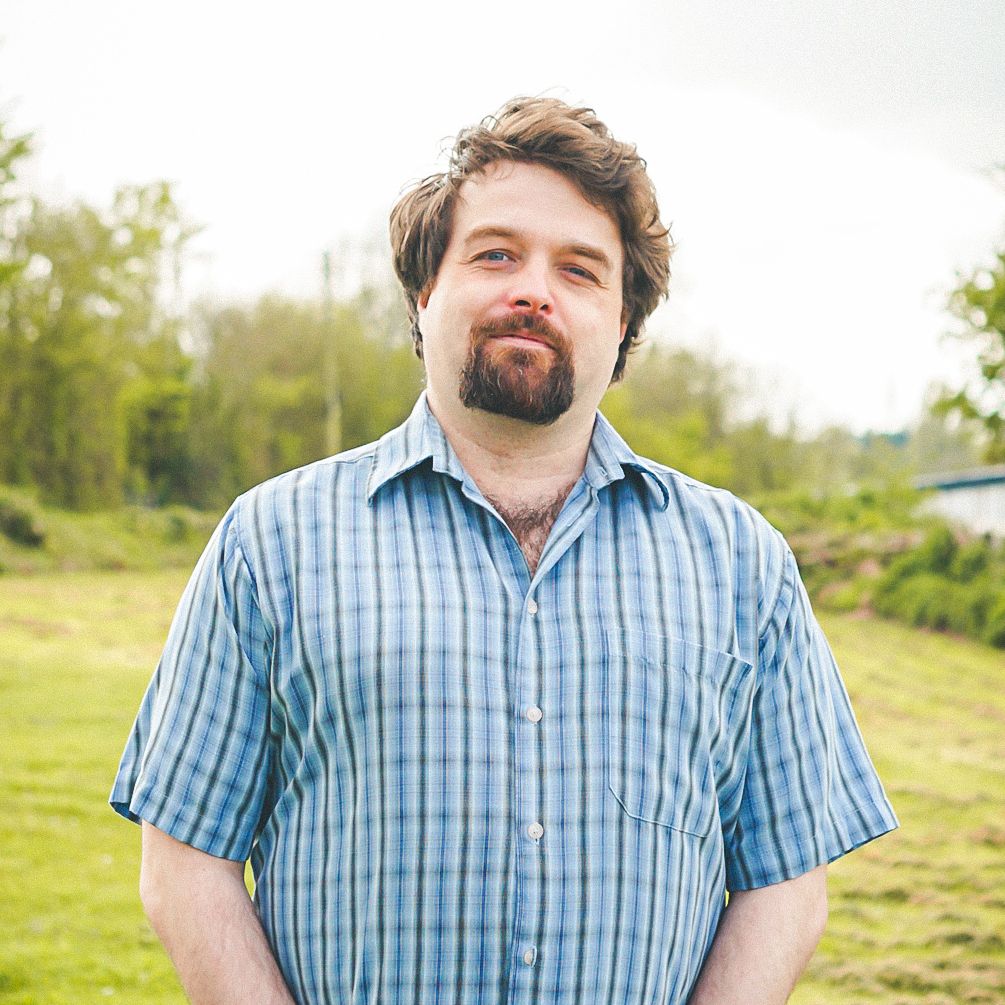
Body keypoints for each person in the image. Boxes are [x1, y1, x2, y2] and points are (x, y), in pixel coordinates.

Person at [111, 96, 897, 1005]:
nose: (533, 289)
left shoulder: (741, 564)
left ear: (624, 323)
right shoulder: (271, 542)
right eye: (495, 254)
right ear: (423, 291)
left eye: (580, 269)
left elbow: (785, 879)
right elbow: (184, 860)